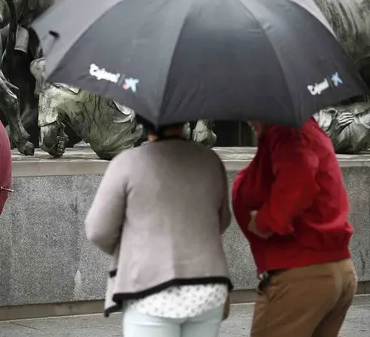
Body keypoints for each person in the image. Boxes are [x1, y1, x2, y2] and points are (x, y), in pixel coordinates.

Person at [85, 116, 232, 337]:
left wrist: (132, 250)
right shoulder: (210, 160)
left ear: (142, 121)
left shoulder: (127, 163)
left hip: (150, 291)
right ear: (184, 121)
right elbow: (222, 221)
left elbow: (98, 230)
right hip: (208, 288)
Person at [233, 118, 357, 336]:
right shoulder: (298, 131)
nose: (247, 118)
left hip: (300, 273)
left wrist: (265, 221)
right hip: (328, 268)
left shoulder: (286, 130)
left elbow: (300, 178)